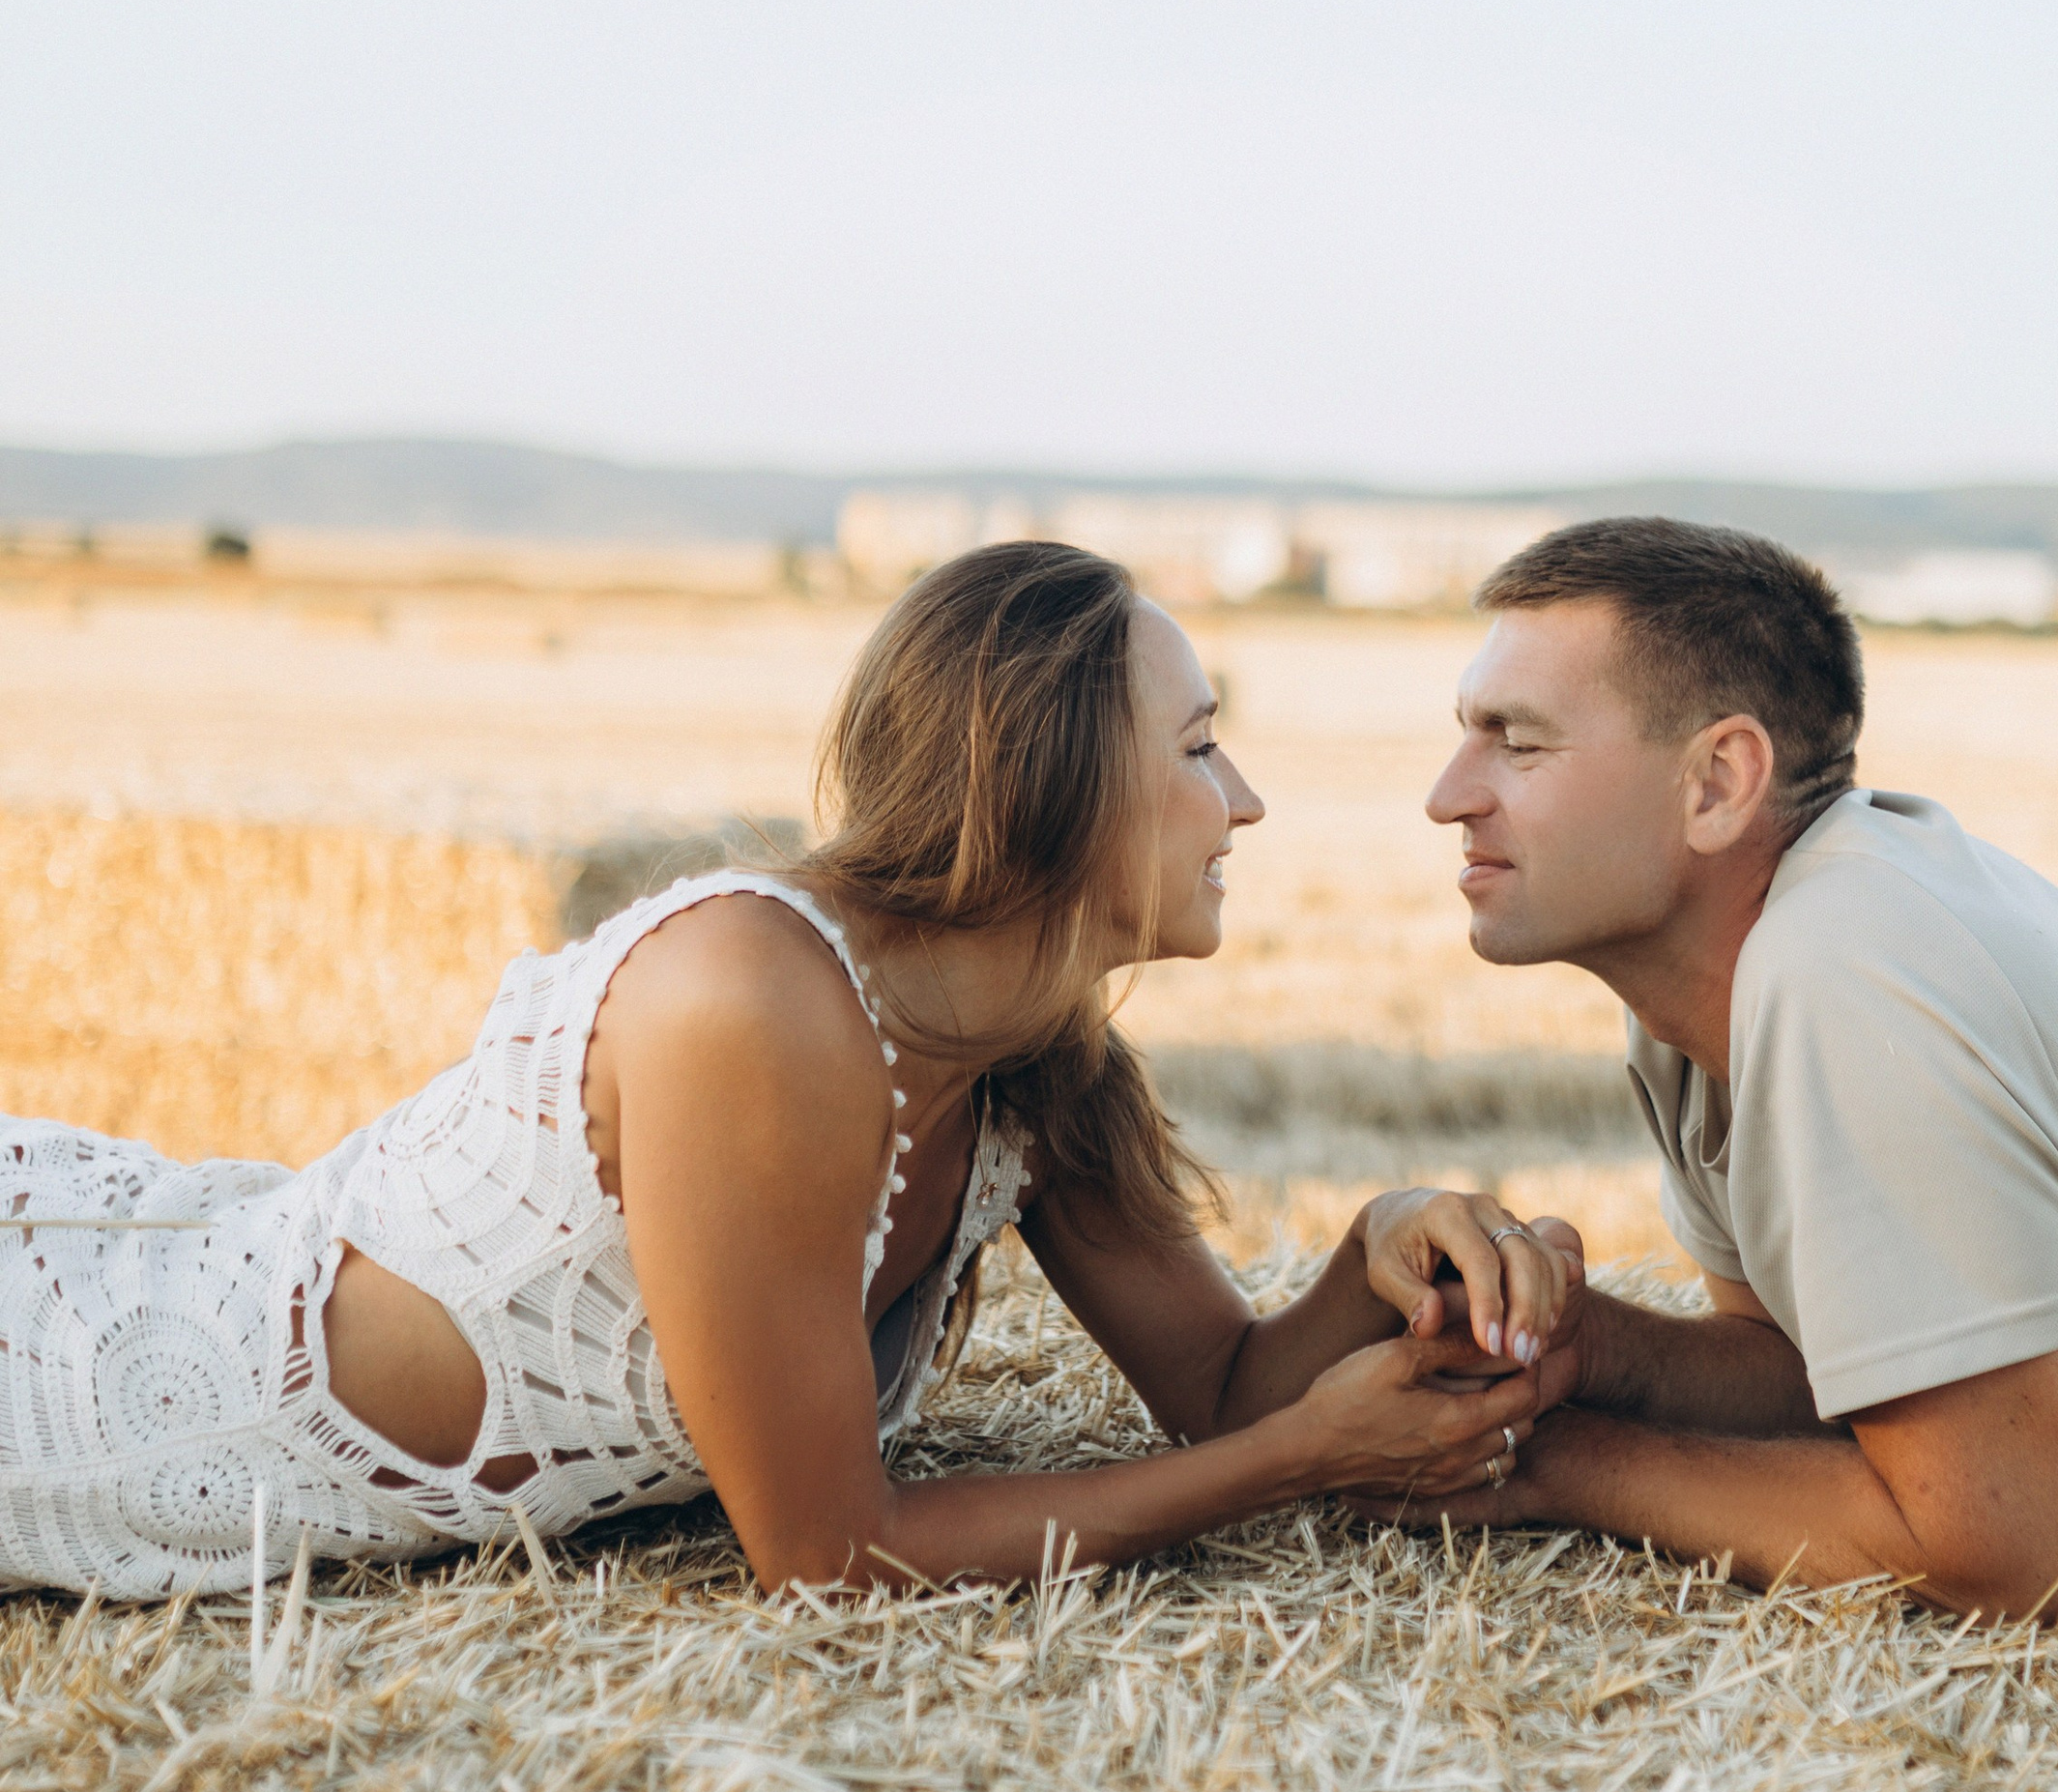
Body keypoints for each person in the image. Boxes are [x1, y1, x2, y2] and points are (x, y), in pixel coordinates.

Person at [0, 542, 1575, 1603]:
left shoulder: (1042, 1080)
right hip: (66, 1385)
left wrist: (1396, 1240)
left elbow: (1221, 1387)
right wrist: (1300, 1463)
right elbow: (828, 1558)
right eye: (1198, 747)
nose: (1244, 802)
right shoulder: (745, 998)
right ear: (1052, 777)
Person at [1408, 516, 2058, 1614]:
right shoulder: (1715, 984)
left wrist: (1545, 1463)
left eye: (1518, 741)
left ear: (1719, 782)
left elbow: (2002, 1558)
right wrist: (1581, 1353)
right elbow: (1826, 1377)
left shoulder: (1848, 969)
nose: (1447, 793)